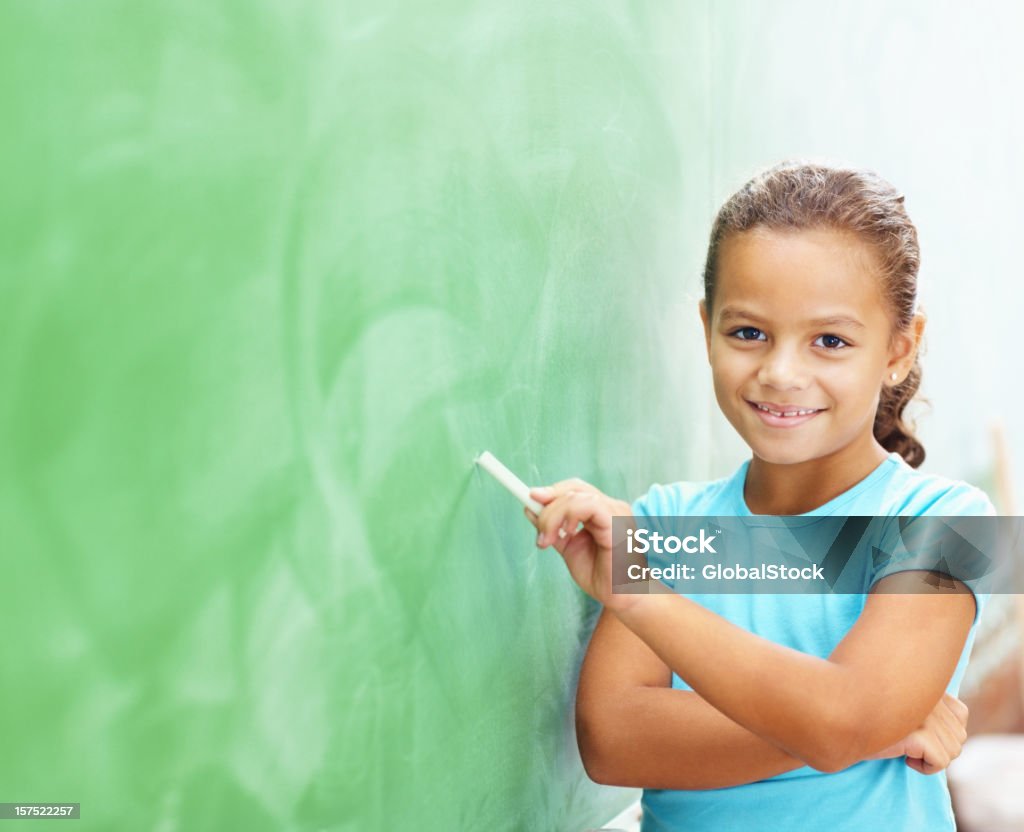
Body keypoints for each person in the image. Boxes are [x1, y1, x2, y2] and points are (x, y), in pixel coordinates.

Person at [524, 161, 993, 831]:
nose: (780, 373)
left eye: (829, 341)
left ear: (899, 349)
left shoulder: (947, 525)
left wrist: (644, 596)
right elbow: (614, 742)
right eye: (747, 332)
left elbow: (841, 721)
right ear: (706, 325)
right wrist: (873, 732)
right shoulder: (662, 524)